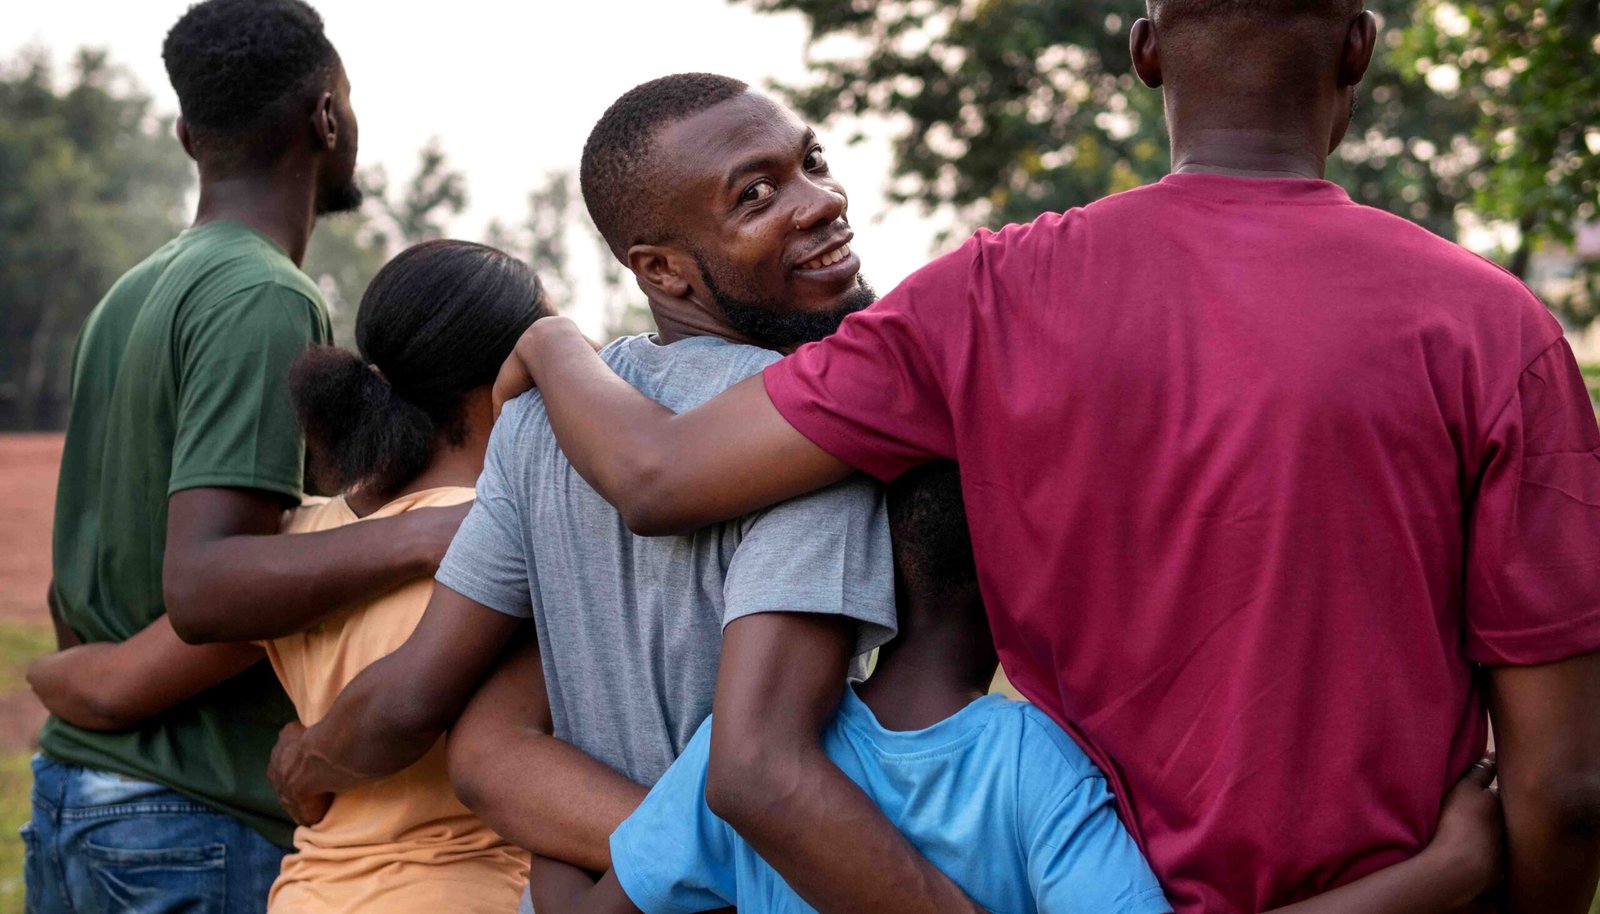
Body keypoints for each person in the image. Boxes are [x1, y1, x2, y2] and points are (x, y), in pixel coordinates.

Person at [490, 2, 1600, 912]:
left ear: (1145, 47)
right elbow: (1562, 786)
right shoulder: (1494, 334)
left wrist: (543, 335)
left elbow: (661, 477)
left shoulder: (988, 298)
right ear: (1358, 45)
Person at [266, 73, 959, 913]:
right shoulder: (808, 430)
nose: (820, 201)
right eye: (757, 195)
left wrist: (309, 761)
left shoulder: (543, 423)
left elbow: (464, 733)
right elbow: (766, 775)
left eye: (811, 160)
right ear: (661, 269)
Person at [520, 463, 1505, 914]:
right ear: (1033, 580)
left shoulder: (741, 747)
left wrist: (534, 842)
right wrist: (1444, 868)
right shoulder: (1034, 759)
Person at [27, 2, 464, 912]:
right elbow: (211, 584)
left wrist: (103, 688)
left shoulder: (135, 291)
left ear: (189, 135)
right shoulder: (264, 296)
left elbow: (94, 569)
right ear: (327, 118)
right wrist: (435, 536)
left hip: (79, 798)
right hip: (187, 821)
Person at [29, 239, 543, 914]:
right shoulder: (521, 538)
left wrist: (44, 674)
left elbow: (120, 683)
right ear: (506, 383)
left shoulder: (299, 548)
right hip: (463, 895)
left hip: (308, 893)